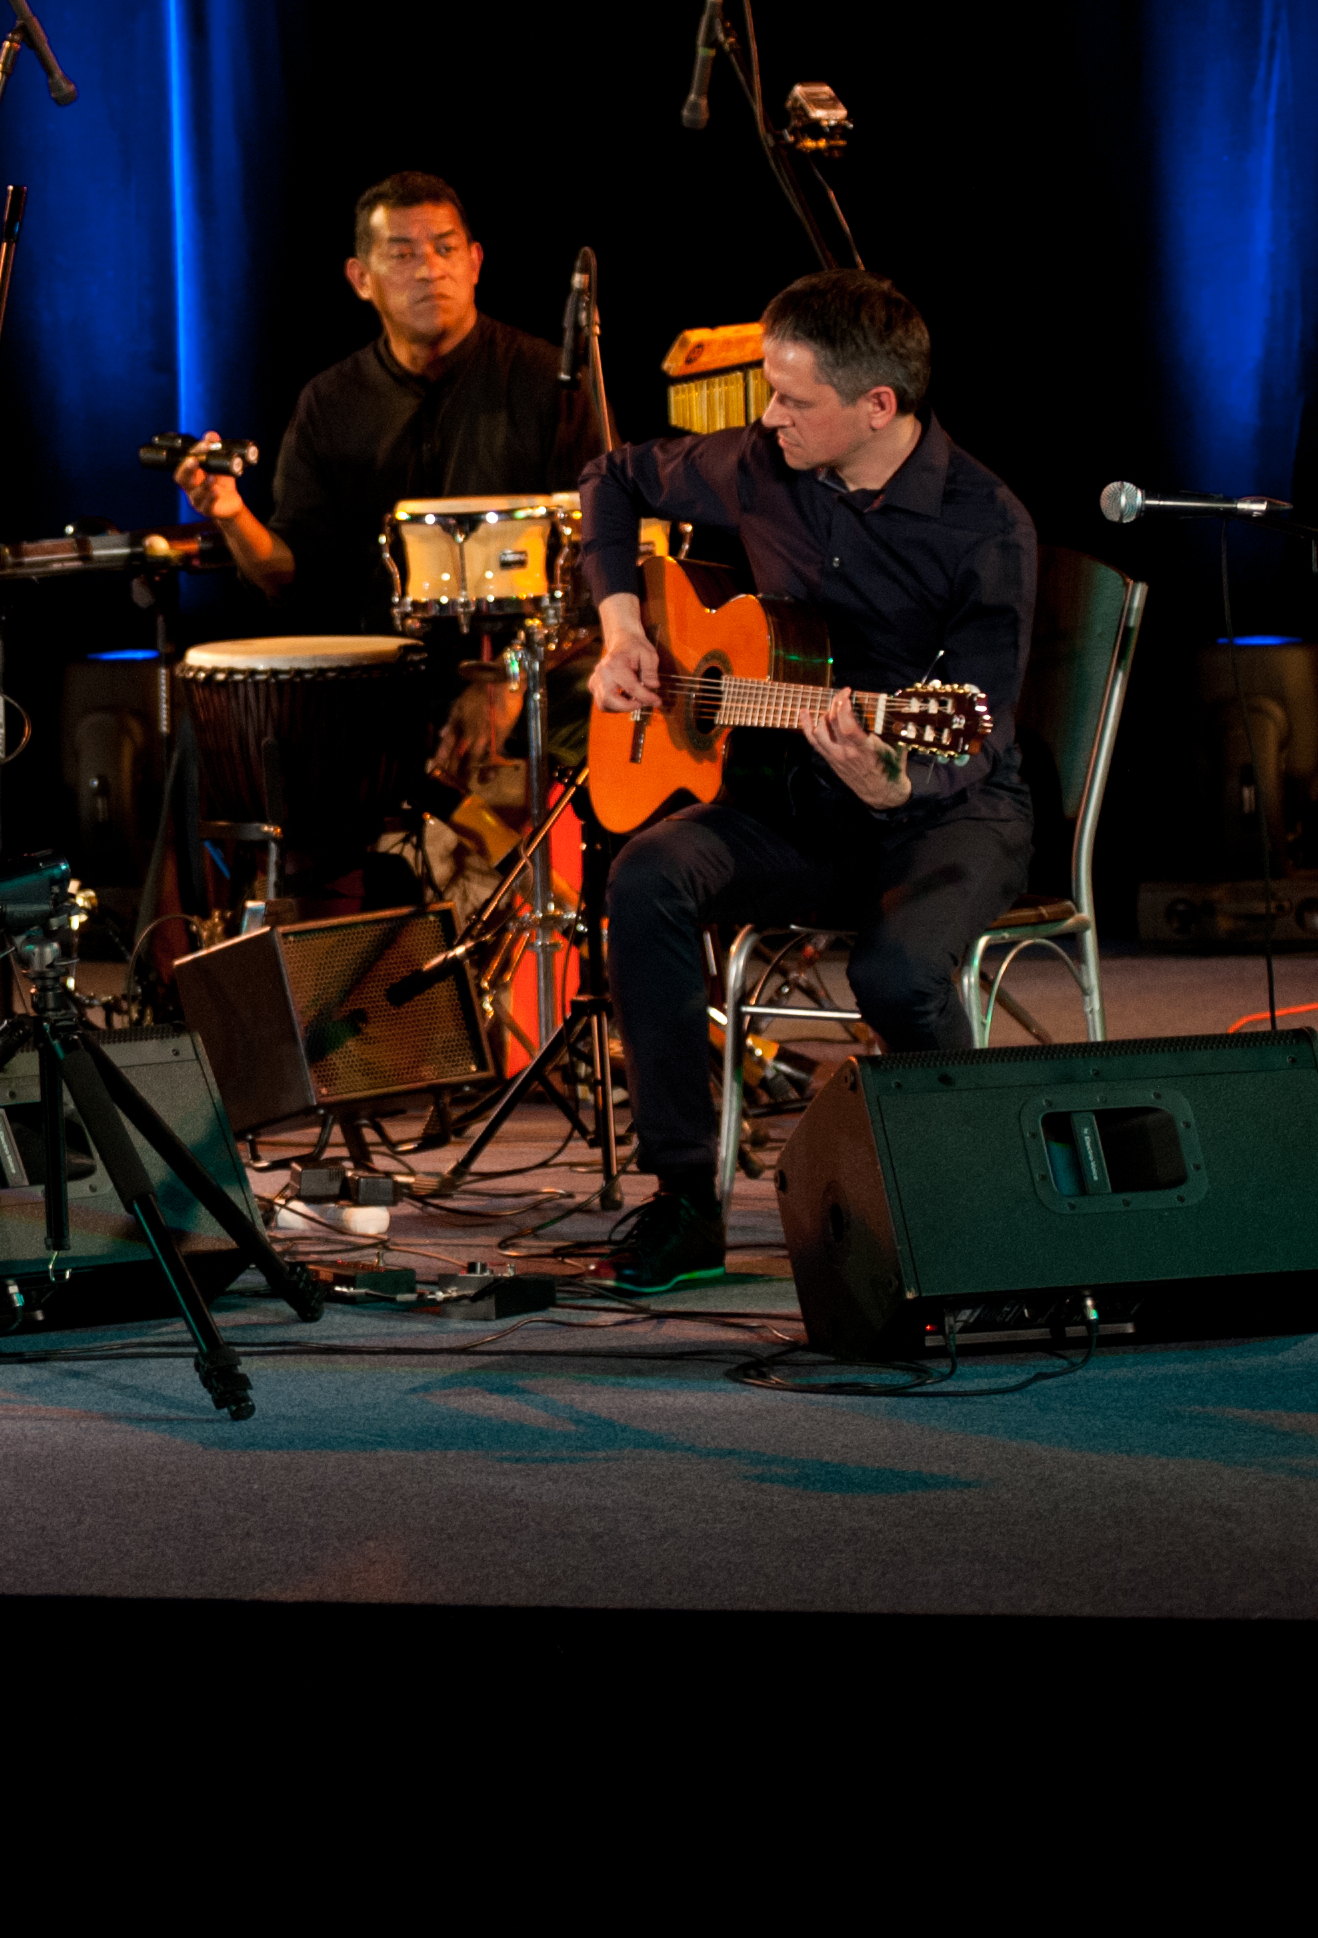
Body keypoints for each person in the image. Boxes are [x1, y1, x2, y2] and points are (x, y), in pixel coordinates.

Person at [577, 270, 1037, 1291]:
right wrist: (621, 630)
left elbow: (974, 734)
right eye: (769, 393)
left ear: (877, 405)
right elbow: (609, 478)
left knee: (896, 976)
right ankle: (685, 1200)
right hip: (792, 805)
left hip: (944, 813)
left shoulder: (985, 527)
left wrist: (892, 786)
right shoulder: (761, 465)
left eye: (792, 399)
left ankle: (971, 1208)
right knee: (646, 876)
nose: (768, 417)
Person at [173, 170, 596, 628]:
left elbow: (600, 544)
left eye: (446, 249)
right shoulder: (330, 403)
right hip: (383, 661)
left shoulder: (549, 380)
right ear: (361, 279)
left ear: (475, 264)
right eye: (402, 254)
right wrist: (232, 515)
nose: (430, 270)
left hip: (530, 656)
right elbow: (287, 576)